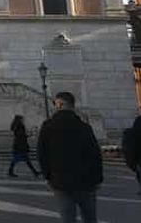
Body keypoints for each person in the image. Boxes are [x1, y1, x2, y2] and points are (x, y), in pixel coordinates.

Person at [37, 92, 102, 223]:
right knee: (89, 217)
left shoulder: (48, 126)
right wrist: (98, 179)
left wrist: (47, 176)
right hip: (86, 180)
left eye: (55, 103)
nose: (54, 106)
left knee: (67, 218)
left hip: (60, 181)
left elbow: (42, 154)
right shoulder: (84, 127)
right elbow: (95, 155)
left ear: (60, 104)